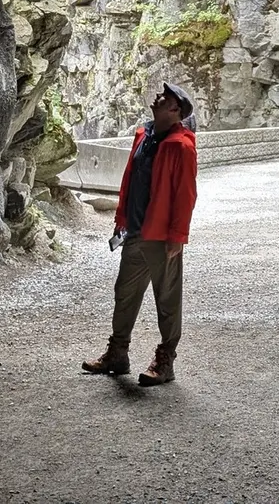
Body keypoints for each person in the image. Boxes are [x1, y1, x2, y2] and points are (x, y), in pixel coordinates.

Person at [82, 82, 198, 387]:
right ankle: (117, 354)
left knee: (168, 300)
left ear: (175, 110)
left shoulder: (181, 146)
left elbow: (186, 195)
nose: (157, 98)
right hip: (135, 231)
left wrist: (177, 236)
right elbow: (130, 182)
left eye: (165, 97)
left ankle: (165, 360)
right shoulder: (143, 136)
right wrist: (121, 219)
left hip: (161, 237)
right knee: (125, 294)